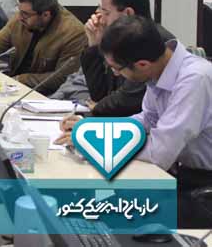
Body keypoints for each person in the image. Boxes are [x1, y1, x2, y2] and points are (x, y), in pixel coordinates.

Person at [59, 16, 212, 228]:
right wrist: (94, 130)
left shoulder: (195, 80)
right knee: (92, 200)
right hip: (182, 177)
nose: (115, 73)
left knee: (113, 213)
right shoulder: (160, 68)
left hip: (204, 189)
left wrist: (98, 143)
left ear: (142, 64)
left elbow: (160, 152)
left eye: (117, 68)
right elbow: (147, 119)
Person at [51, 0, 174, 116]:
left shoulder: (154, 41)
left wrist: (95, 110)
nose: (100, 19)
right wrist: (94, 46)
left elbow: (125, 101)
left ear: (127, 14)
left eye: (106, 12)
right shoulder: (120, 39)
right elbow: (100, 94)